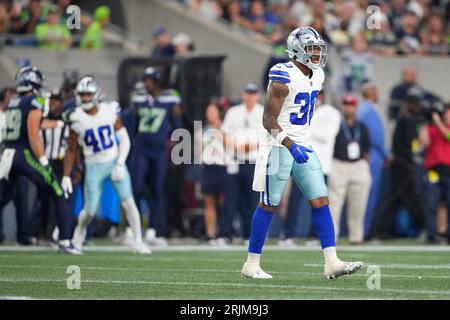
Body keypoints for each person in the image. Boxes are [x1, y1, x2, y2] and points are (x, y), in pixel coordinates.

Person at [241, 27, 363, 280]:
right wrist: (289, 144)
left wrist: (299, 144)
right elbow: (268, 119)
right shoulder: (282, 74)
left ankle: (332, 261)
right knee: (269, 203)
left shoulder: (317, 75)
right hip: (278, 145)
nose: (317, 53)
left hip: (304, 145)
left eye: (318, 48)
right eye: (312, 48)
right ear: (297, 50)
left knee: (320, 200)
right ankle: (251, 264)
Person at [62, 76, 150, 254]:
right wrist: (65, 175)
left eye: (88, 94)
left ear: (96, 95)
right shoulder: (76, 118)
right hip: (93, 165)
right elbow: (71, 149)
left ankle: (138, 241)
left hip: (112, 161)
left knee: (129, 201)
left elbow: (124, 139)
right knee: (90, 210)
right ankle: (78, 235)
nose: (85, 98)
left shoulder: (109, 112)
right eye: (83, 95)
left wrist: (119, 163)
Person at [0, 66, 77, 253]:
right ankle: (66, 242)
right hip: (23, 154)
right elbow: (33, 133)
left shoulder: (14, 101)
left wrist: (58, 123)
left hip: (6, 154)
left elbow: (35, 122)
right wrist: (43, 161)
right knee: (58, 191)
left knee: (2, 199)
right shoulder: (34, 101)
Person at [129, 67, 182, 245]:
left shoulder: (170, 99)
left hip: (159, 150)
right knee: (135, 188)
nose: (146, 83)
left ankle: (153, 230)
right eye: (145, 79)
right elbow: (133, 125)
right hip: (142, 149)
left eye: (150, 80)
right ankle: (133, 229)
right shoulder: (139, 98)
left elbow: (177, 126)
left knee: (157, 190)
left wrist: (175, 149)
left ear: (157, 81)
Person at [281, 89, 341, 246]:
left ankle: (314, 236)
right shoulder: (302, 111)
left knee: (319, 202)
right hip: (301, 162)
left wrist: (306, 127)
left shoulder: (331, 113)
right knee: (295, 200)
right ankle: (289, 235)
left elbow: (328, 135)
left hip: (322, 164)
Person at [372, 92, 425, 240]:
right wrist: (410, 159)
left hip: (407, 166)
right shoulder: (402, 121)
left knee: (398, 200)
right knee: (398, 199)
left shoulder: (415, 121)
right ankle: (425, 228)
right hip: (401, 167)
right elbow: (398, 146)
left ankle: (382, 230)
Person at [221, 82, 264, 243]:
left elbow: (268, 136)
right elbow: (224, 133)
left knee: (252, 200)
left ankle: (249, 234)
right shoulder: (234, 112)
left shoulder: (262, 112)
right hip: (235, 160)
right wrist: (234, 147)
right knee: (231, 199)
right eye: (247, 93)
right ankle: (225, 234)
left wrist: (248, 147)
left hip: (254, 161)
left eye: (253, 93)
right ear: (243, 95)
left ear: (257, 96)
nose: (250, 96)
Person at [328, 94, 371, 244]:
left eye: (351, 104)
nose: (349, 107)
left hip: (358, 165)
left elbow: (366, 149)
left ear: (356, 107)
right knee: (334, 203)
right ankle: (331, 237)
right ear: (342, 106)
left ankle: (356, 236)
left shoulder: (362, 126)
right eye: (346, 104)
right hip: (339, 165)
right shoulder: (336, 125)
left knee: (358, 204)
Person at [356, 81, 390, 238]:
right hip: (373, 156)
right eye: (374, 90)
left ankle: (364, 230)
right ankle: (364, 231)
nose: (377, 92)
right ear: (368, 92)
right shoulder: (368, 111)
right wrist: (385, 154)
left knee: (368, 196)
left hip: (371, 154)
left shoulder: (366, 110)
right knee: (369, 196)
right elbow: (375, 137)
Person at [194, 103, 228, 245]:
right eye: (208, 112)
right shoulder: (201, 132)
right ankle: (210, 234)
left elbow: (231, 146)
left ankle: (224, 231)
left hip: (223, 167)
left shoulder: (226, 129)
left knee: (223, 202)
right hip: (209, 168)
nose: (210, 115)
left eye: (213, 112)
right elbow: (197, 152)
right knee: (209, 202)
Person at [419, 104, 450, 244]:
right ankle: (432, 234)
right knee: (432, 204)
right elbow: (423, 142)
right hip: (434, 172)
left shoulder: (443, 128)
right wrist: (426, 123)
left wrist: (438, 122)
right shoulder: (433, 128)